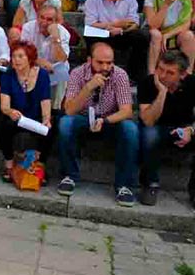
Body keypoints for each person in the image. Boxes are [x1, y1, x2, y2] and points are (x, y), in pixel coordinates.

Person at [57, 43, 139, 207]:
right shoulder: (78, 73)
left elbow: (127, 111)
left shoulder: (120, 75)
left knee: (131, 129)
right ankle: (70, 175)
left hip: (109, 120)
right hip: (83, 118)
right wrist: (88, 87)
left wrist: (106, 120)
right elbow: (69, 110)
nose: (105, 67)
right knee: (65, 124)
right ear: (89, 60)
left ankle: (124, 185)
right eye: (100, 62)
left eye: (109, 63)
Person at [138, 51, 195, 206]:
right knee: (150, 134)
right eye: (160, 69)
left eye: (170, 72)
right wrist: (162, 92)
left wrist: (191, 131)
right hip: (157, 127)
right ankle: (150, 183)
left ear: (182, 75)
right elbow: (148, 120)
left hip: (184, 128)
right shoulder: (148, 83)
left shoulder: (192, 84)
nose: (162, 75)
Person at [0, 41, 53, 182]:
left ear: (30, 58)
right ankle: (9, 165)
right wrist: (10, 111)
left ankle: (40, 165)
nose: (16, 60)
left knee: (51, 126)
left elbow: (45, 100)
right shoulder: (8, 75)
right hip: (17, 116)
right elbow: (4, 105)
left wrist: (46, 118)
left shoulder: (42, 75)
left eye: (21, 56)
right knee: (2, 122)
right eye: (14, 56)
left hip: (35, 115)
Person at [83, 0, 148, 81]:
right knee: (89, 35)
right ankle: (92, 74)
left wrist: (122, 30)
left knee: (142, 36)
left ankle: (134, 76)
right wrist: (113, 25)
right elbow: (90, 23)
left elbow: (135, 22)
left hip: (123, 33)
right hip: (102, 33)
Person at [21, 4, 71, 110]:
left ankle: (54, 110)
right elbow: (23, 53)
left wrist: (55, 38)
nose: (44, 22)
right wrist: (39, 61)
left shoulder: (63, 33)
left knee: (61, 76)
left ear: (55, 22)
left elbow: (61, 59)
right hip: (33, 66)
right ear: (37, 17)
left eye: (49, 19)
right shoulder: (28, 28)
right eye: (41, 17)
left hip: (55, 70)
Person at [144, 0, 195, 74]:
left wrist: (168, 35)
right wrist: (166, 5)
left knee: (188, 35)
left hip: (174, 33)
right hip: (155, 31)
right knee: (156, 34)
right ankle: (151, 74)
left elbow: (186, 24)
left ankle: (187, 74)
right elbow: (153, 25)